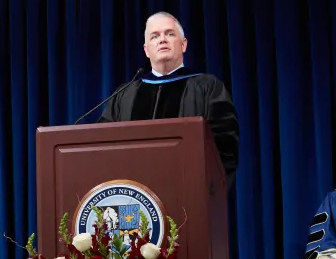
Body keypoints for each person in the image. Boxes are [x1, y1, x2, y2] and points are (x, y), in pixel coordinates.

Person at [98, 12, 239, 187]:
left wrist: (206, 188)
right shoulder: (125, 94)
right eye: (155, 36)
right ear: (146, 50)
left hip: (188, 196)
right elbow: (104, 146)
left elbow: (224, 146)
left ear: (183, 44)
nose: (162, 39)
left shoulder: (207, 87)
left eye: (170, 34)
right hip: (134, 200)